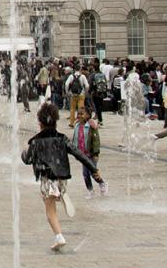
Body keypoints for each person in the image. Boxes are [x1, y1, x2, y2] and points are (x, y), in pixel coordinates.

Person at [22, 102, 101, 252]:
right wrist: (94, 169)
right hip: (63, 177)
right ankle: (61, 193)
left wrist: (25, 151)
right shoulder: (62, 138)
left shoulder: (36, 141)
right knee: (56, 192)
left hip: (47, 177)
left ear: (40, 123)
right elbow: (79, 154)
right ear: (55, 121)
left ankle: (59, 237)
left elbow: (27, 159)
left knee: (50, 210)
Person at [70, 107, 108, 198]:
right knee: (85, 174)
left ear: (88, 115)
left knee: (92, 172)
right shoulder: (77, 125)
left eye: (81, 114)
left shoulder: (91, 126)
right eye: (78, 113)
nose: (79, 115)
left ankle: (102, 183)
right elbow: (75, 139)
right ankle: (90, 191)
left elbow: (96, 141)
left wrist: (95, 153)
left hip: (91, 154)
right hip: (83, 154)